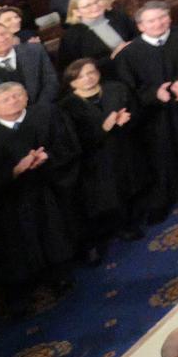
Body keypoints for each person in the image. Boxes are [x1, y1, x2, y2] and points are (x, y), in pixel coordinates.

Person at [0, 79, 80, 306]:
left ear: (27, 97)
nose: (14, 101)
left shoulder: (45, 115)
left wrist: (48, 157)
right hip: (10, 200)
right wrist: (16, 170)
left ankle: (59, 277)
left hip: (47, 190)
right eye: (6, 99)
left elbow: (69, 145)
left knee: (53, 233)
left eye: (18, 95)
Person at [115, 3, 178, 210]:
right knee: (161, 150)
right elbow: (130, 89)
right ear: (141, 26)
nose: (158, 23)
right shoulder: (129, 54)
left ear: (169, 18)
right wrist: (154, 94)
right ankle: (170, 191)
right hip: (155, 114)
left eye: (162, 17)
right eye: (151, 20)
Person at [62, 56, 144, 247]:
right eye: (81, 76)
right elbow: (73, 139)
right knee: (111, 192)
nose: (88, 78)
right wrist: (103, 129)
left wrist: (128, 120)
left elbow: (138, 112)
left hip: (125, 147)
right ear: (72, 82)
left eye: (91, 72)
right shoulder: (67, 107)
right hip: (96, 159)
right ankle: (121, 225)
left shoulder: (116, 88)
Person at [58, 0, 136, 79]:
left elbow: (137, 35)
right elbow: (72, 68)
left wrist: (132, 45)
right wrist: (112, 57)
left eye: (97, 1)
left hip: (135, 61)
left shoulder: (118, 16)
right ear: (77, 12)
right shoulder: (72, 36)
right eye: (87, 6)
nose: (95, 7)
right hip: (106, 76)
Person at [0, 14, 57, 108]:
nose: (2, 39)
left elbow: (50, 80)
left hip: (44, 110)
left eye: (4, 34)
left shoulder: (34, 50)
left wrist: (39, 109)